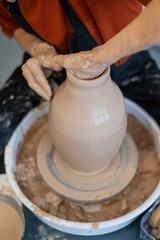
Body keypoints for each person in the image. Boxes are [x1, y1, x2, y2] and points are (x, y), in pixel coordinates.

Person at [0, 0, 160, 171]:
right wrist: (39, 49)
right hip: (52, 64)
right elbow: (12, 25)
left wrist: (98, 58)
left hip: (127, 62)